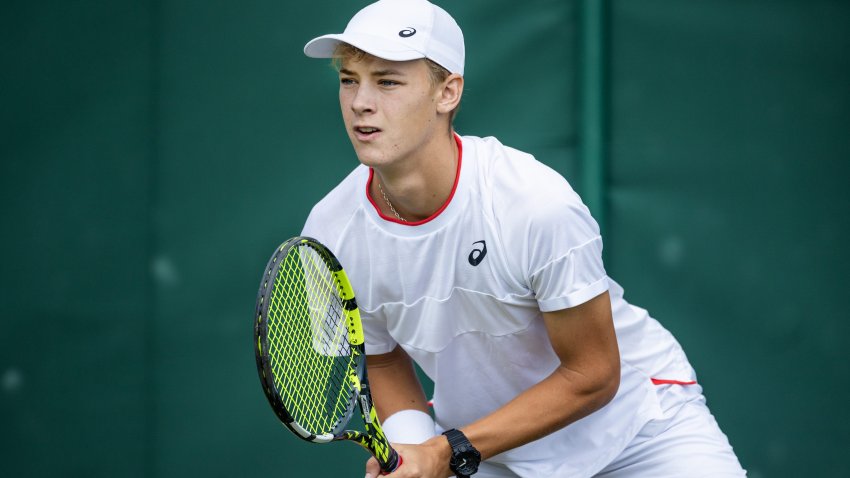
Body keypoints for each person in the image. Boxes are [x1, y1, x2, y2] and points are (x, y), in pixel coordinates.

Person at [300, 0, 746, 476]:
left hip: (639, 432)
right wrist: (413, 449)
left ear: (447, 92)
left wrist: (446, 451)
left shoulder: (532, 204)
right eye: (349, 79)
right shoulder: (330, 232)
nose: (361, 102)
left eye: (387, 81)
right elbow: (383, 356)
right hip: (492, 453)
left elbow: (593, 374)